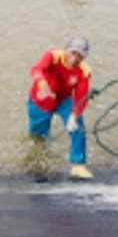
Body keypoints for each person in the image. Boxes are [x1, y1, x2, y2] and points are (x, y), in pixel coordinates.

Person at [27, 36, 94, 180]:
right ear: (65, 50)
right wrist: (42, 84)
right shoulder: (52, 56)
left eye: (80, 56)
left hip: (64, 100)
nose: (75, 58)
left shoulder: (84, 71)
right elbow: (37, 69)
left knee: (78, 127)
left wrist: (74, 115)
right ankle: (38, 158)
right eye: (73, 53)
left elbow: (82, 97)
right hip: (42, 98)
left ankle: (78, 165)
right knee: (38, 136)